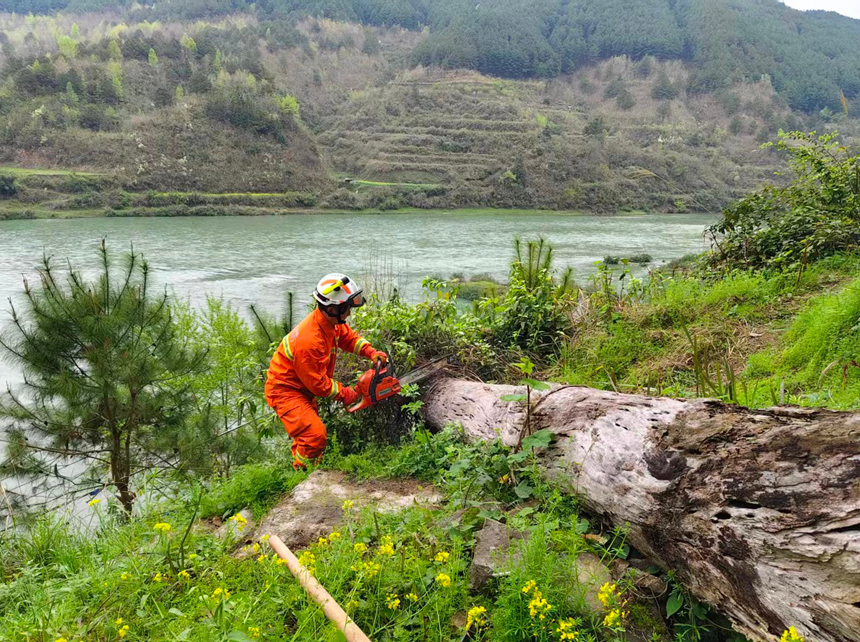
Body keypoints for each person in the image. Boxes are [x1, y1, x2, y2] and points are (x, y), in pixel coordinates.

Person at [265, 273, 387, 469]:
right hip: (286, 391)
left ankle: (309, 471)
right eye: (347, 308)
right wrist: (345, 393)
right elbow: (318, 384)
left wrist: (370, 352)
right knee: (314, 435)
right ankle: (300, 475)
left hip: (302, 388)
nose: (349, 313)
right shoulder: (310, 340)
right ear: (332, 308)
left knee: (310, 438)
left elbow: (349, 339)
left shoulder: (330, 323)